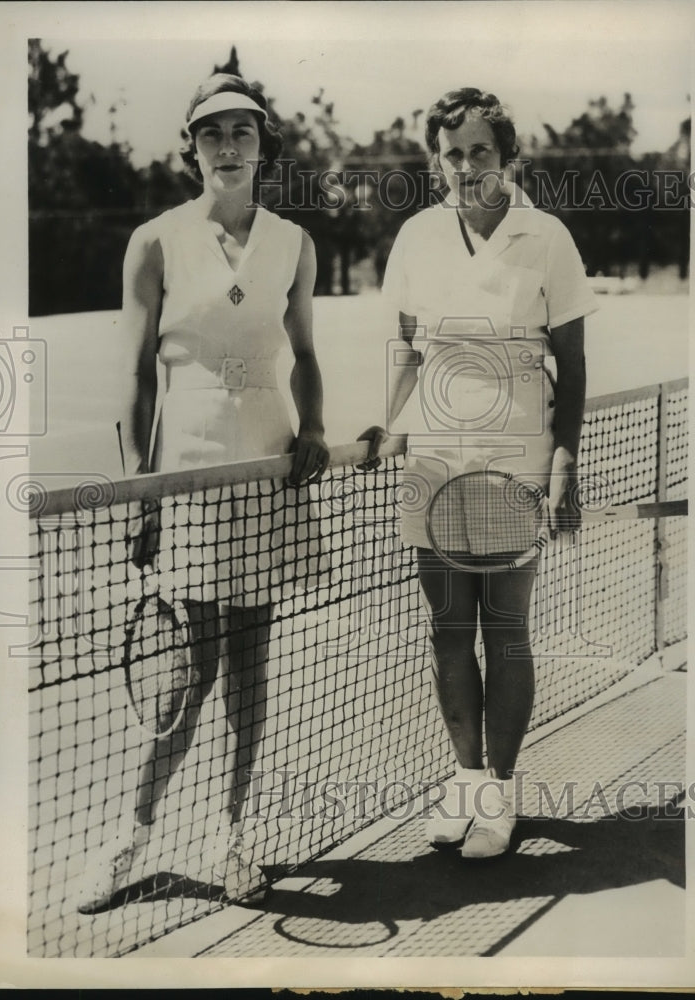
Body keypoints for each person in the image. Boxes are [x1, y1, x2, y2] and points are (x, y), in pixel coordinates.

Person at [77, 74, 329, 911]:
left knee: (251, 671)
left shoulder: (295, 242)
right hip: (185, 476)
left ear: (264, 146)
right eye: (212, 132)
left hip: (265, 468)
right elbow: (135, 375)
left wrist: (316, 428)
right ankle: (131, 839)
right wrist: (142, 492)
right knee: (190, 675)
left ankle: (239, 836)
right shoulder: (153, 241)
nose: (228, 146)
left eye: (243, 132)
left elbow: (307, 353)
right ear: (191, 147)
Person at [360, 88, 597, 859]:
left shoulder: (548, 237)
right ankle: (465, 785)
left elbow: (575, 360)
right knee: (447, 631)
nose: (467, 168)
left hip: (514, 460)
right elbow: (403, 347)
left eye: (481, 153)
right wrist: (388, 425)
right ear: (439, 161)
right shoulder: (418, 237)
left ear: (509, 158)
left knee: (507, 630)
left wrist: (564, 461)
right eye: (453, 154)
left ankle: (498, 792)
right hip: (432, 459)